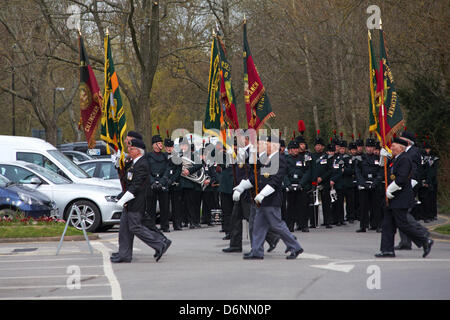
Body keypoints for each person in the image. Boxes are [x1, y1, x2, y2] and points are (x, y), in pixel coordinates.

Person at [233, 135, 303, 260]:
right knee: (258, 227)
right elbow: (256, 178)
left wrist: (262, 194)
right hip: (261, 200)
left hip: (271, 200)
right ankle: (257, 251)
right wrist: (240, 188)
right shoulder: (265, 158)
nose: (261, 146)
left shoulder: (279, 159)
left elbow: (275, 181)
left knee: (277, 226)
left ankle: (295, 247)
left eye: (264, 144)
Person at [111, 138, 171, 263]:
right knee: (124, 228)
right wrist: (117, 163)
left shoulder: (142, 164)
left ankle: (160, 244)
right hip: (130, 200)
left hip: (136, 202)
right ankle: (124, 254)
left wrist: (124, 198)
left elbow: (136, 185)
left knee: (135, 227)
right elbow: (126, 179)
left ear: (138, 151)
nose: (129, 150)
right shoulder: (134, 163)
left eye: (131, 149)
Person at [375, 137, 433, 258]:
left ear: (401, 147)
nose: (391, 148)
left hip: (400, 197)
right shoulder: (396, 159)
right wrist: (382, 158)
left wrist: (390, 190)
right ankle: (387, 250)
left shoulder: (405, 159)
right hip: (392, 198)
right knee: (387, 224)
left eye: (393, 146)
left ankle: (424, 240)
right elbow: (386, 172)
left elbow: (401, 178)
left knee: (403, 224)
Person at [355, 137, 383, 232]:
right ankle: (363, 226)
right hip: (364, 185)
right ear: (365, 148)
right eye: (368, 147)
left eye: (371, 147)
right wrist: (364, 183)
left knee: (376, 206)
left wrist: (375, 183)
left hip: (375, 185)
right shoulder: (360, 158)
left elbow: (381, 172)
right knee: (363, 206)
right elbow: (358, 172)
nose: (370, 149)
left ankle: (377, 225)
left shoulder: (379, 158)